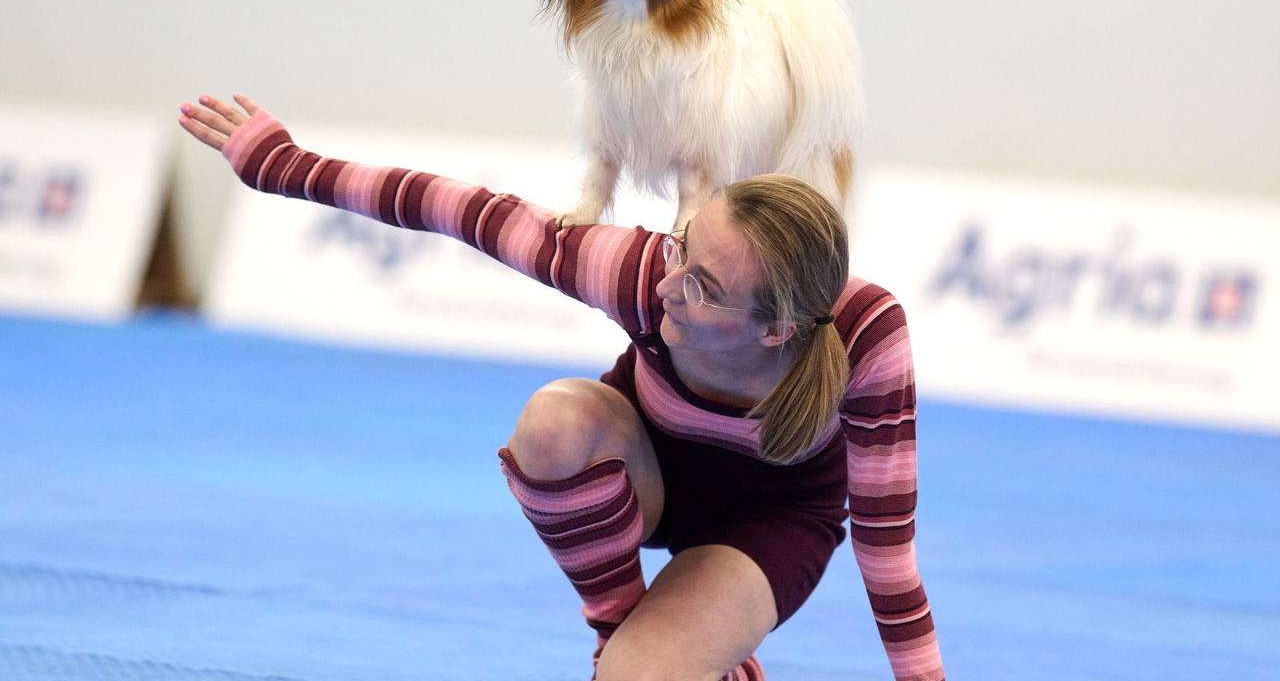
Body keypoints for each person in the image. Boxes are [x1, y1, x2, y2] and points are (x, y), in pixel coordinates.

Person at [178, 93, 946, 681]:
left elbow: (888, 552)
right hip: (639, 474)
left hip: (770, 526)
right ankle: (617, 626)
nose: (671, 286)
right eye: (682, 249)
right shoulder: (641, 274)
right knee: (552, 420)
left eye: (704, 286)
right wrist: (286, 165)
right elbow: (462, 209)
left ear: (776, 328)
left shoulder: (867, 338)